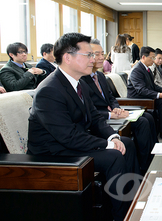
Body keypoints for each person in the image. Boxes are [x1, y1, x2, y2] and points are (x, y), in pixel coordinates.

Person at [27, 32, 140, 221]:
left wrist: (112, 137)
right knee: (113, 156)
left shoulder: (78, 83)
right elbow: (67, 136)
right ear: (68, 58)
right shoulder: (49, 90)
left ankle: (133, 199)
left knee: (125, 143)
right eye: (88, 55)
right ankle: (120, 215)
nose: (94, 59)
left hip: (72, 142)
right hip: (54, 152)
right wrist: (106, 145)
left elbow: (95, 119)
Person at [81, 40, 157, 174]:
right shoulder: (81, 80)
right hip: (104, 118)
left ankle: (151, 157)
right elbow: (89, 111)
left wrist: (116, 107)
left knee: (148, 117)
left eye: (102, 54)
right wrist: (111, 114)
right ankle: (145, 166)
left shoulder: (100, 75)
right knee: (142, 122)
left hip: (112, 114)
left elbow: (110, 97)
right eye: (95, 54)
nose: (100, 57)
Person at [127, 46, 162, 138]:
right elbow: (141, 90)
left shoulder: (146, 68)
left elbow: (153, 86)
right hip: (138, 99)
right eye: (152, 58)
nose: (153, 60)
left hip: (146, 96)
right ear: (144, 57)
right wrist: (160, 95)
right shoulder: (137, 70)